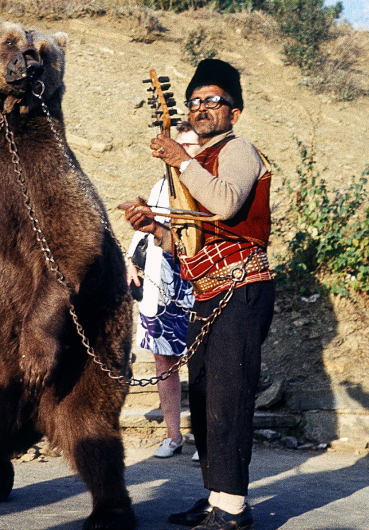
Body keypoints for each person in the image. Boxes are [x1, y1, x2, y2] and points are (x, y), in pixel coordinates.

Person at [123, 59, 274, 530]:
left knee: (228, 397)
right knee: (207, 397)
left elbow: (226, 203)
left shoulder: (239, 150)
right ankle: (216, 498)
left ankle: (232, 511)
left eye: (215, 100)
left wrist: (181, 161)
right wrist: (154, 229)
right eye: (196, 101)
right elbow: (188, 242)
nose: (203, 108)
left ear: (235, 112)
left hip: (241, 290)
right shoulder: (197, 164)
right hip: (209, 293)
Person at [125, 122, 198, 459]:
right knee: (163, 363)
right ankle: (173, 436)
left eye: (191, 145)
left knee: (202, 365)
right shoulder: (159, 187)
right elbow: (144, 229)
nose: (183, 150)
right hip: (160, 287)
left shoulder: (205, 184)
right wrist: (130, 260)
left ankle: (207, 438)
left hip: (197, 287)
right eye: (179, 144)